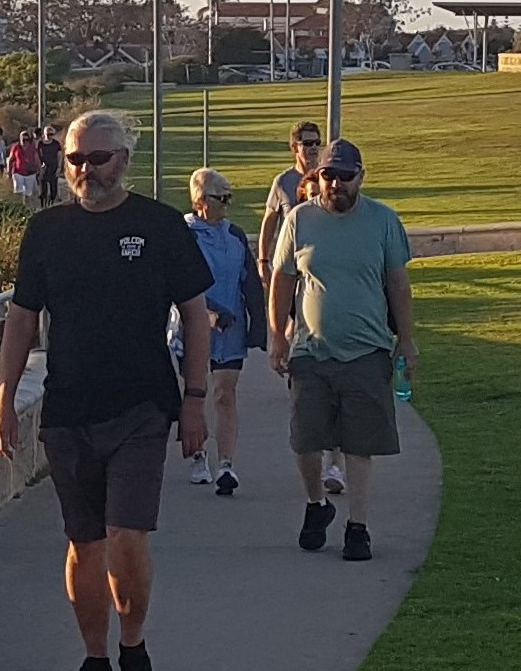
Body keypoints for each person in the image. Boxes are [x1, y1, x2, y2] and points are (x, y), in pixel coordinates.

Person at [0, 111, 213, 671]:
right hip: (68, 409)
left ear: (125, 160)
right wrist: (4, 397)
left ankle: (133, 651)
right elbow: (21, 318)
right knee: (84, 545)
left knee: (126, 537)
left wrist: (195, 400)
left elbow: (196, 315)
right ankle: (94, 661)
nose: (85, 170)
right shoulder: (47, 230)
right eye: (75, 160)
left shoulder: (159, 226)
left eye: (98, 158)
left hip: (141, 406)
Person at [267, 139, 418, 562]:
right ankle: (316, 504)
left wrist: (406, 340)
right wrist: (277, 336)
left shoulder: (383, 221)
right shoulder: (300, 220)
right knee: (306, 439)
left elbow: (398, 284)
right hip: (310, 349)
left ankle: (358, 527)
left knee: (358, 442)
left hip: (366, 350)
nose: (335, 184)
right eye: (328, 176)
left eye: (344, 176)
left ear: (360, 177)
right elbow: (282, 280)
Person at [259, 119, 344, 494]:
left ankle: (334, 459)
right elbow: (269, 221)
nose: (312, 147)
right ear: (294, 147)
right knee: (294, 330)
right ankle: (300, 376)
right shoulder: (283, 183)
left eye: (316, 142)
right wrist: (264, 260)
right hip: (290, 269)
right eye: (306, 143)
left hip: (322, 274)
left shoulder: (331, 178)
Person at [174, 169, 267, 493]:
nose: (227, 203)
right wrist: (209, 312)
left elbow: (250, 282)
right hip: (193, 327)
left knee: (225, 394)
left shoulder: (235, 235)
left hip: (231, 327)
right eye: (221, 197)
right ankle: (198, 456)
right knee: (196, 392)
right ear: (201, 201)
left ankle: (226, 464)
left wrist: (259, 326)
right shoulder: (184, 234)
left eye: (230, 197)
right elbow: (181, 283)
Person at [37, 124, 63, 207]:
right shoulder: (40, 143)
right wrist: (40, 166)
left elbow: (59, 155)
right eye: (48, 134)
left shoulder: (56, 144)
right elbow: (37, 155)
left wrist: (59, 167)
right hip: (44, 167)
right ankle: (43, 205)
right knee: (43, 189)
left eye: (52, 134)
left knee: (53, 188)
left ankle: (51, 203)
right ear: (44, 134)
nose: (50, 136)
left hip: (53, 167)